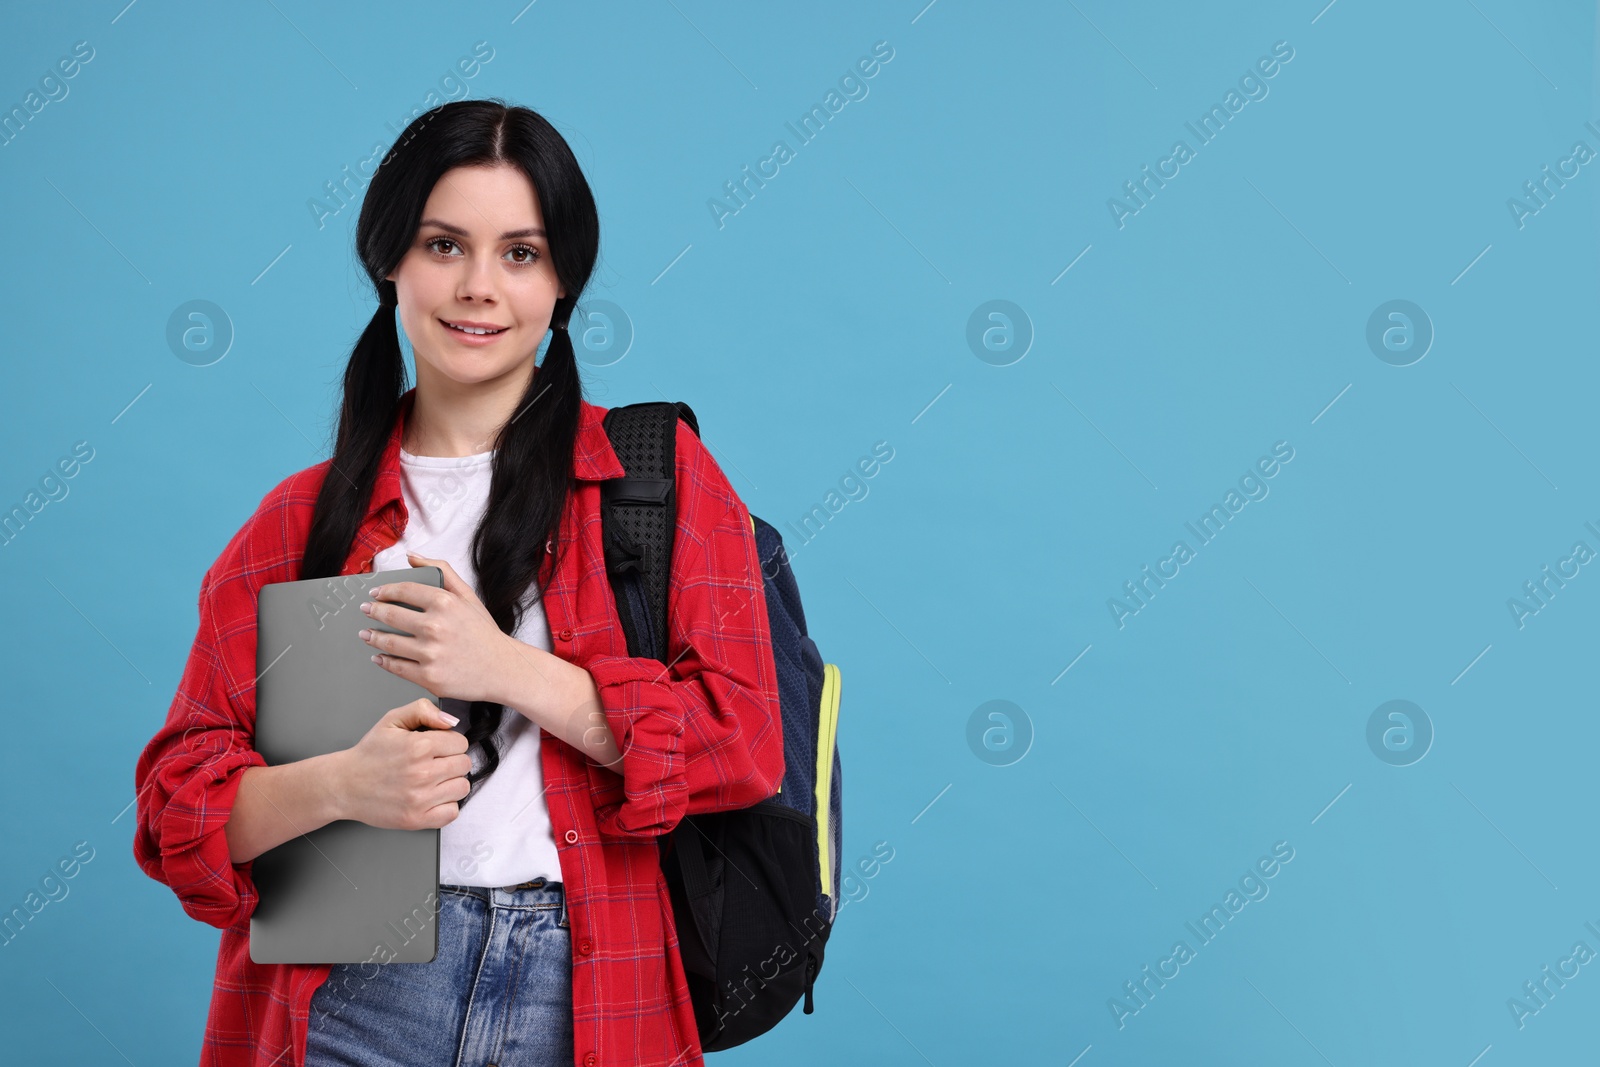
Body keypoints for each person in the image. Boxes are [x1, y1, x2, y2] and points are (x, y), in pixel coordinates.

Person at [132, 98, 785, 1067]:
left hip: (591, 990)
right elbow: (176, 807)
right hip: (356, 991)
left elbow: (743, 744)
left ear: (563, 281)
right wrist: (344, 783)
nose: (479, 286)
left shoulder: (659, 482)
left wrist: (508, 667)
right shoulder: (299, 522)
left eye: (520, 253)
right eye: (444, 245)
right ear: (389, 260)